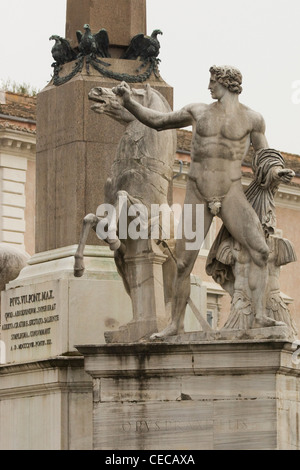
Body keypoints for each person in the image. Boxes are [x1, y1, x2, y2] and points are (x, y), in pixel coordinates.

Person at [112, 65, 294, 337]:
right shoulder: (198, 111)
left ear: (227, 83)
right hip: (198, 192)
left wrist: (276, 171)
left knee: (261, 250)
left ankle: (259, 316)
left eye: (212, 82)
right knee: (184, 262)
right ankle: (176, 324)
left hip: (230, 192)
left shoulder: (252, 119)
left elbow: (265, 154)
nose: (209, 87)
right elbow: (158, 121)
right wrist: (128, 102)